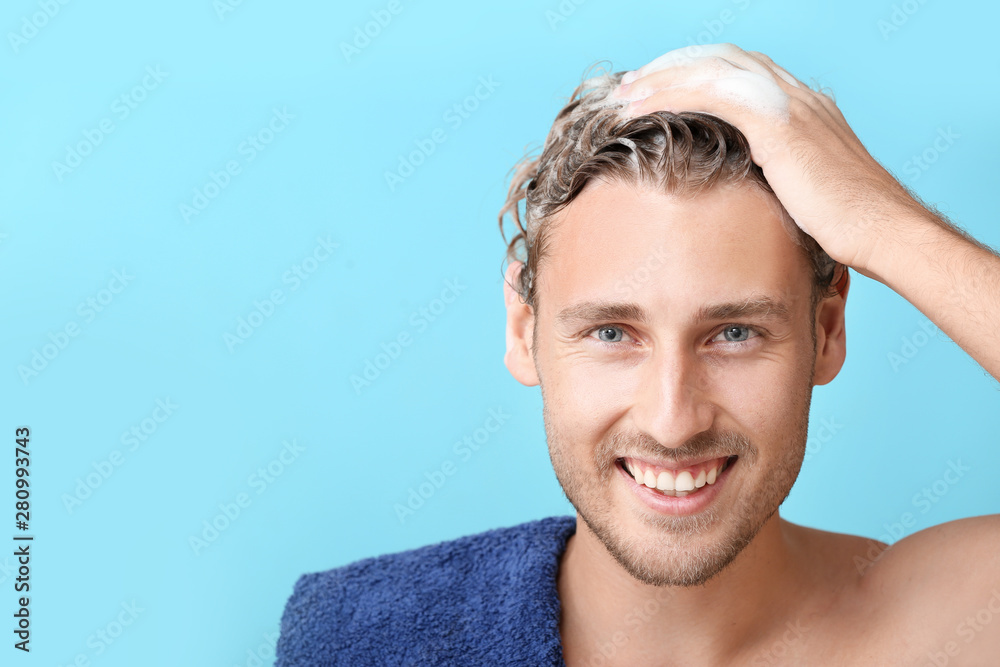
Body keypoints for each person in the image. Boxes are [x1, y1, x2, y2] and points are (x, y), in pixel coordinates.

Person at [275, 44, 1000, 665]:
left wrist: (883, 225)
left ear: (828, 331)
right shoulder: (365, 636)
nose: (673, 419)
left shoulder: (944, 631)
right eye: (612, 333)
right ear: (523, 326)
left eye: (734, 333)